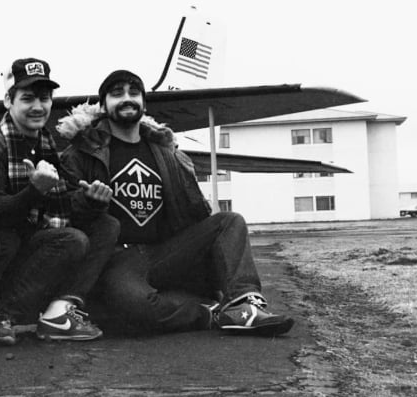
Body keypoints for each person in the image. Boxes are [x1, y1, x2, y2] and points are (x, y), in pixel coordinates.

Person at [57, 69, 294, 336]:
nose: (127, 99)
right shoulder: (81, 153)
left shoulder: (167, 153)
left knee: (230, 221)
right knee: (137, 308)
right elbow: (63, 212)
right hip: (117, 258)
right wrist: (88, 201)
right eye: (116, 94)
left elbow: (195, 212)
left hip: (164, 251)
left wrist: (211, 268)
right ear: (102, 106)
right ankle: (207, 313)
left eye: (134, 93)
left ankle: (243, 304)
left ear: (144, 104)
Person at [0, 58, 120, 344]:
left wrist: (90, 201)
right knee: (71, 240)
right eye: (27, 98)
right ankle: (0, 315)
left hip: (34, 242)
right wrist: (34, 190)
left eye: (44, 98)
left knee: (106, 225)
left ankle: (60, 312)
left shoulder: (46, 145)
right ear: (7, 101)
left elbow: (64, 206)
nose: (38, 106)